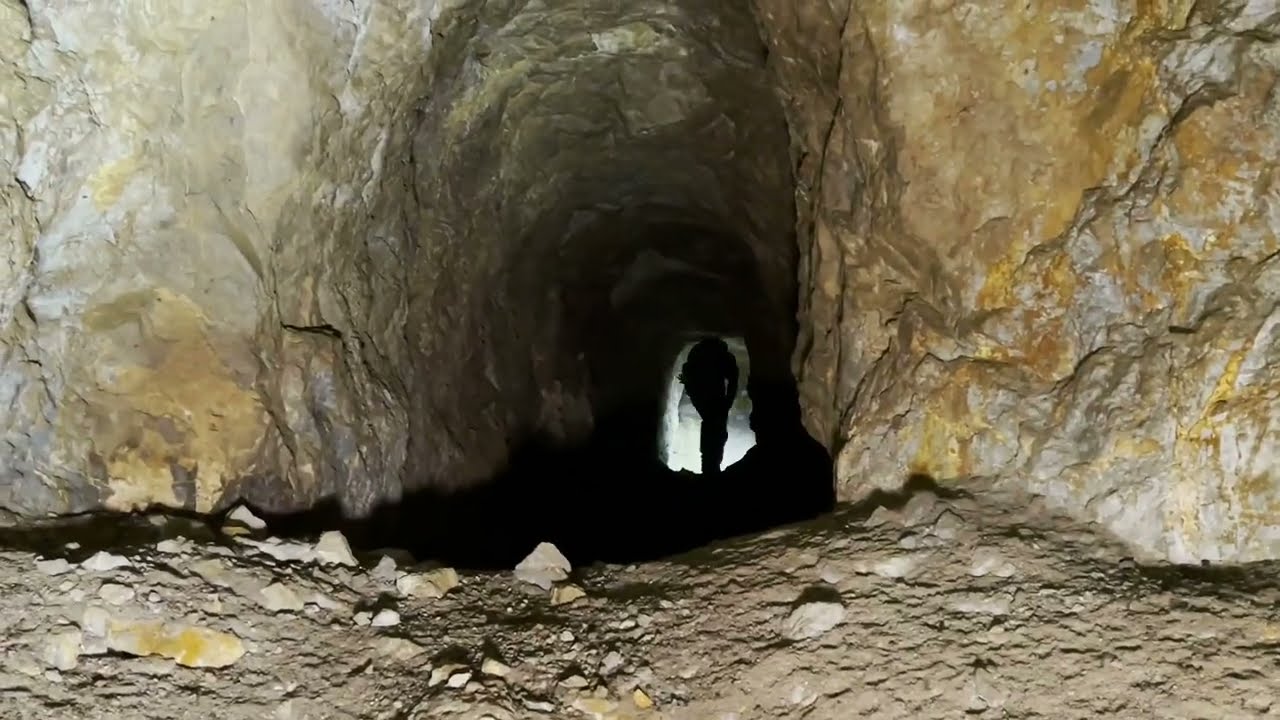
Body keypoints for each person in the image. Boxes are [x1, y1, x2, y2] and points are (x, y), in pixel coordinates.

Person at [678, 337, 739, 474]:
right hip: (715, 399)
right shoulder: (724, 356)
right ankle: (711, 468)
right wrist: (727, 402)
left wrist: (692, 390)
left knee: (712, 429)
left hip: (705, 398)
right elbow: (733, 380)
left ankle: (709, 467)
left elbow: (687, 370)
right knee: (716, 431)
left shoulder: (698, 353)